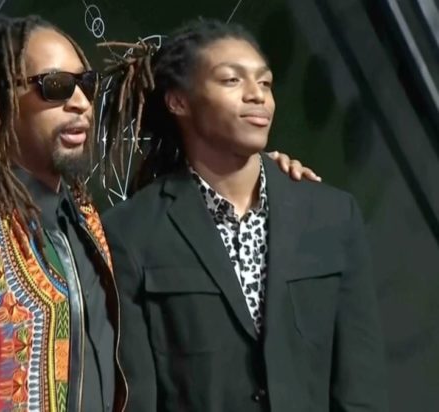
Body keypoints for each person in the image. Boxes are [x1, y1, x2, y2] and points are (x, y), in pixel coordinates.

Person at [0, 14, 317, 412]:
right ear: (1, 99)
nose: (81, 103)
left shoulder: (83, 219)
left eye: (85, 85)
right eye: (56, 87)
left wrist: (261, 171)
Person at [101, 18, 387, 411]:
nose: (257, 96)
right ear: (178, 101)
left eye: (265, 83)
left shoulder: (333, 216)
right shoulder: (131, 233)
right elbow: (136, 397)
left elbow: (361, 389)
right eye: (231, 80)